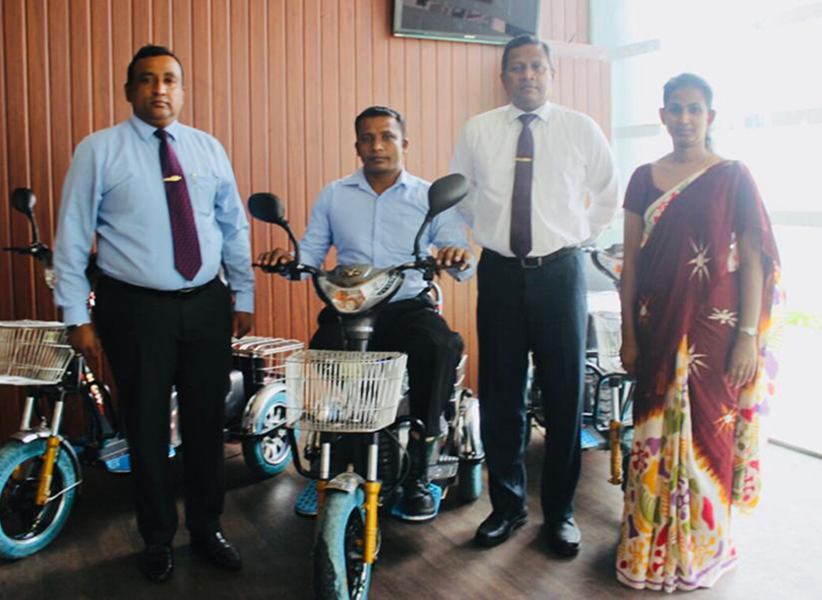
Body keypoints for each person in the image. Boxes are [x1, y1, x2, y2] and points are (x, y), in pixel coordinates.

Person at [53, 45, 255, 583]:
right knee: (145, 426)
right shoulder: (99, 151)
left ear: (183, 91)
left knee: (208, 422)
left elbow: (233, 226)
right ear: (129, 92)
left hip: (207, 303)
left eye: (169, 80)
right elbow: (71, 238)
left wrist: (245, 294)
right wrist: (77, 316)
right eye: (146, 80)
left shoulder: (208, 149)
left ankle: (208, 527)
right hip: (135, 309)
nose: (159, 89)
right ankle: (157, 536)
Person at [257, 106, 475, 520]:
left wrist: (455, 255)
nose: (377, 146)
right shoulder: (334, 194)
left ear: (403, 143)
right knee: (321, 354)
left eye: (387, 137)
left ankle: (421, 466)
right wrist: (288, 260)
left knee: (441, 345)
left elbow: (457, 252)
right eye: (367, 138)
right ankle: (329, 468)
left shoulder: (429, 196)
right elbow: (311, 252)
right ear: (357, 145)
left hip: (406, 307)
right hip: (349, 309)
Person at [450, 34, 619, 556]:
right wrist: (495, 236)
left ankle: (561, 514)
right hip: (499, 272)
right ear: (504, 78)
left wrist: (574, 236)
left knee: (566, 395)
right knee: (501, 394)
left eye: (537, 67)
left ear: (551, 74)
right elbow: (462, 197)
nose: (528, 75)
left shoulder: (578, 128)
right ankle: (507, 507)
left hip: (560, 274)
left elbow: (609, 192)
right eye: (517, 68)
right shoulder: (479, 130)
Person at [615, 73, 780, 592]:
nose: (684, 119)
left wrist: (748, 335)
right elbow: (632, 264)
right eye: (675, 109)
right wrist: (628, 334)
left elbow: (753, 258)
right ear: (661, 115)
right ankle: (646, 547)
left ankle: (703, 547)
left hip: (716, 333)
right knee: (651, 436)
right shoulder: (643, 177)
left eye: (694, 109)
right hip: (656, 328)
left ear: (710, 116)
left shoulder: (733, 176)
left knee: (711, 432)